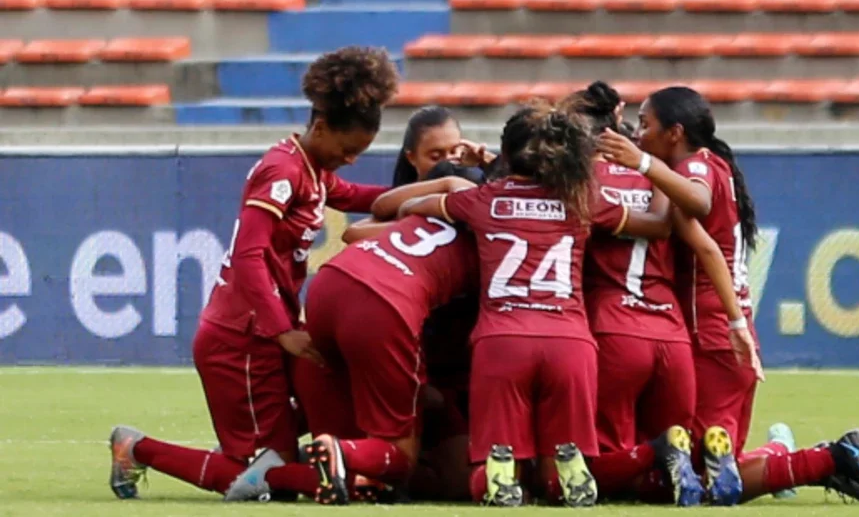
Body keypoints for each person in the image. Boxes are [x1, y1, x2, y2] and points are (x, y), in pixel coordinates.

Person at [107, 46, 400, 499]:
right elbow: (248, 255)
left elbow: (354, 194)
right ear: (320, 127)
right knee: (264, 480)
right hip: (241, 337)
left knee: (271, 465)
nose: (351, 159)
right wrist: (283, 330)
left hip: (261, 331)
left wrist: (424, 192)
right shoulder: (281, 172)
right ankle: (136, 447)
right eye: (348, 149)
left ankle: (266, 454)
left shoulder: (314, 169)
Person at [398, 104, 672, 507]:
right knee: (555, 477)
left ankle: (499, 470)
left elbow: (405, 209)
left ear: (506, 156)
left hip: (502, 341)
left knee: (492, 468)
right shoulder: (581, 199)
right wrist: (658, 167)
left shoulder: (483, 199)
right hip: (569, 342)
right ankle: (568, 469)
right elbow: (657, 225)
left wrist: (442, 191)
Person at [222, 171, 483, 505]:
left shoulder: (419, 216)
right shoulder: (490, 227)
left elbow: (358, 227)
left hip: (329, 288)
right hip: (382, 312)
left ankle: (292, 466)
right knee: (399, 458)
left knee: (408, 479)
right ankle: (333, 453)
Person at [597, 86, 767, 505]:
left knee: (691, 476)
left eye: (644, 124)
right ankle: (786, 451)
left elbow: (701, 209)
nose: (638, 133)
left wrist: (640, 163)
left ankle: (818, 459)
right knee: (724, 462)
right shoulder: (718, 164)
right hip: (732, 331)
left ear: (674, 132)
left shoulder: (696, 168)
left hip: (710, 331)